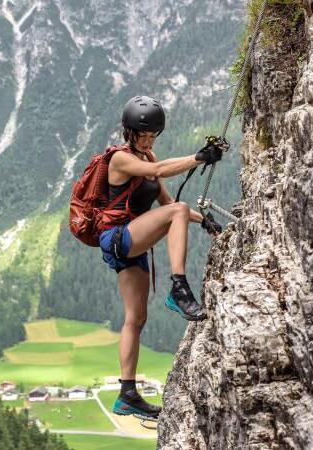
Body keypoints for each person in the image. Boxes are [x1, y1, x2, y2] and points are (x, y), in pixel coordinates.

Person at [103, 95, 225, 419]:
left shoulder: (148, 155)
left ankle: (126, 393)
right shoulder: (120, 159)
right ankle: (178, 288)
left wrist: (204, 220)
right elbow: (158, 173)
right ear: (129, 132)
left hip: (133, 241)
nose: (148, 140)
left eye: (154, 135)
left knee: (136, 318)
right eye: (143, 135)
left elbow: (168, 204)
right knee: (180, 211)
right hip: (119, 237)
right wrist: (199, 158)